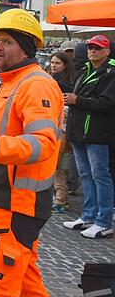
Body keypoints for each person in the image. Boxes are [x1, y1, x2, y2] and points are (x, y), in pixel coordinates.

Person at [0, 9, 62, 296]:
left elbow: (43, 142)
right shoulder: (10, 83)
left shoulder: (35, 84)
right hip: (4, 202)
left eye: (7, 41)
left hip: (16, 205)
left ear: (25, 48)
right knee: (26, 287)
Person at [62, 34, 115, 239]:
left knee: (100, 176)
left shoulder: (110, 73)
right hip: (79, 132)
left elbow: (106, 103)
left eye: (98, 48)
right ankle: (88, 215)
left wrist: (78, 100)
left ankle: (103, 221)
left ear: (107, 51)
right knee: (86, 175)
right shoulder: (85, 71)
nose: (93, 51)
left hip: (97, 133)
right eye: (91, 47)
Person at [47, 51, 76, 212]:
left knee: (58, 165)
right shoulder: (53, 80)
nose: (53, 66)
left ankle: (61, 198)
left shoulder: (65, 83)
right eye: (52, 62)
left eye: (57, 63)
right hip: (54, 126)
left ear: (65, 65)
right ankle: (59, 197)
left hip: (62, 128)